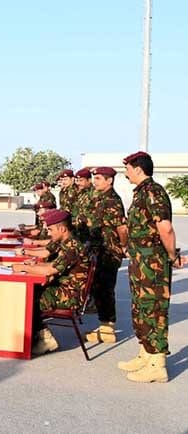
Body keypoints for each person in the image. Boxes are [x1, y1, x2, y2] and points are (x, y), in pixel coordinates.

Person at [118, 151, 181, 383]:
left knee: (154, 311)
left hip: (153, 263)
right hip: (140, 262)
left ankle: (157, 365)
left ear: (138, 169)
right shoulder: (142, 193)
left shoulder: (153, 192)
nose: (125, 174)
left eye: (127, 169)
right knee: (142, 310)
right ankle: (146, 353)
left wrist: (172, 255)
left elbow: (165, 228)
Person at [10, 209, 89, 356]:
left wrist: (22, 267)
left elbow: (50, 270)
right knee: (30, 292)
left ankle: (45, 339)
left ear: (62, 229)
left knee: (29, 298)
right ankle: (36, 335)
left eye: (50, 229)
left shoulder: (72, 246)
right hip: (65, 287)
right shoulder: (66, 241)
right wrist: (31, 267)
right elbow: (53, 264)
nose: (48, 233)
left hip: (70, 294)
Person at [79, 166, 128, 344]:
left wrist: (123, 246)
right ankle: (105, 324)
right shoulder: (100, 198)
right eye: (94, 178)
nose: (95, 181)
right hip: (98, 251)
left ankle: (108, 329)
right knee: (99, 289)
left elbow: (122, 228)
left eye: (98, 178)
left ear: (109, 181)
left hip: (109, 252)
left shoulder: (112, 200)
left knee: (105, 289)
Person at [70, 168, 94, 241]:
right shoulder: (81, 194)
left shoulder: (94, 194)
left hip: (91, 232)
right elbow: (75, 211)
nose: (78, 183)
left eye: (81, 180)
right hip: (80, 231)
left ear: (89, 180)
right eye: (77, 180)